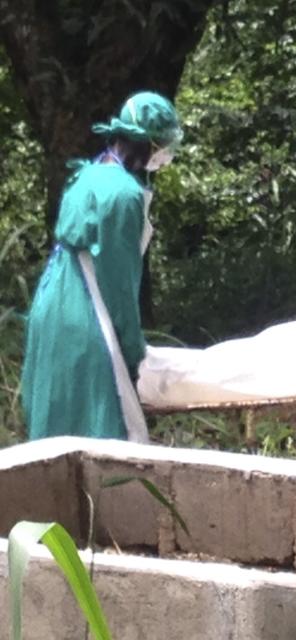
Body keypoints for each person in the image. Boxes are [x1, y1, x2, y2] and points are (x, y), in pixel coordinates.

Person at [21, 91, 182, 441]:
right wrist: (134, 351)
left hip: (53, 304)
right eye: (163, 145)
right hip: (88, 313)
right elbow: (118, 282)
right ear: (147, 143)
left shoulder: (88, 174)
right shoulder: (123, 195)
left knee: (58, 422)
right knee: (107, 425)